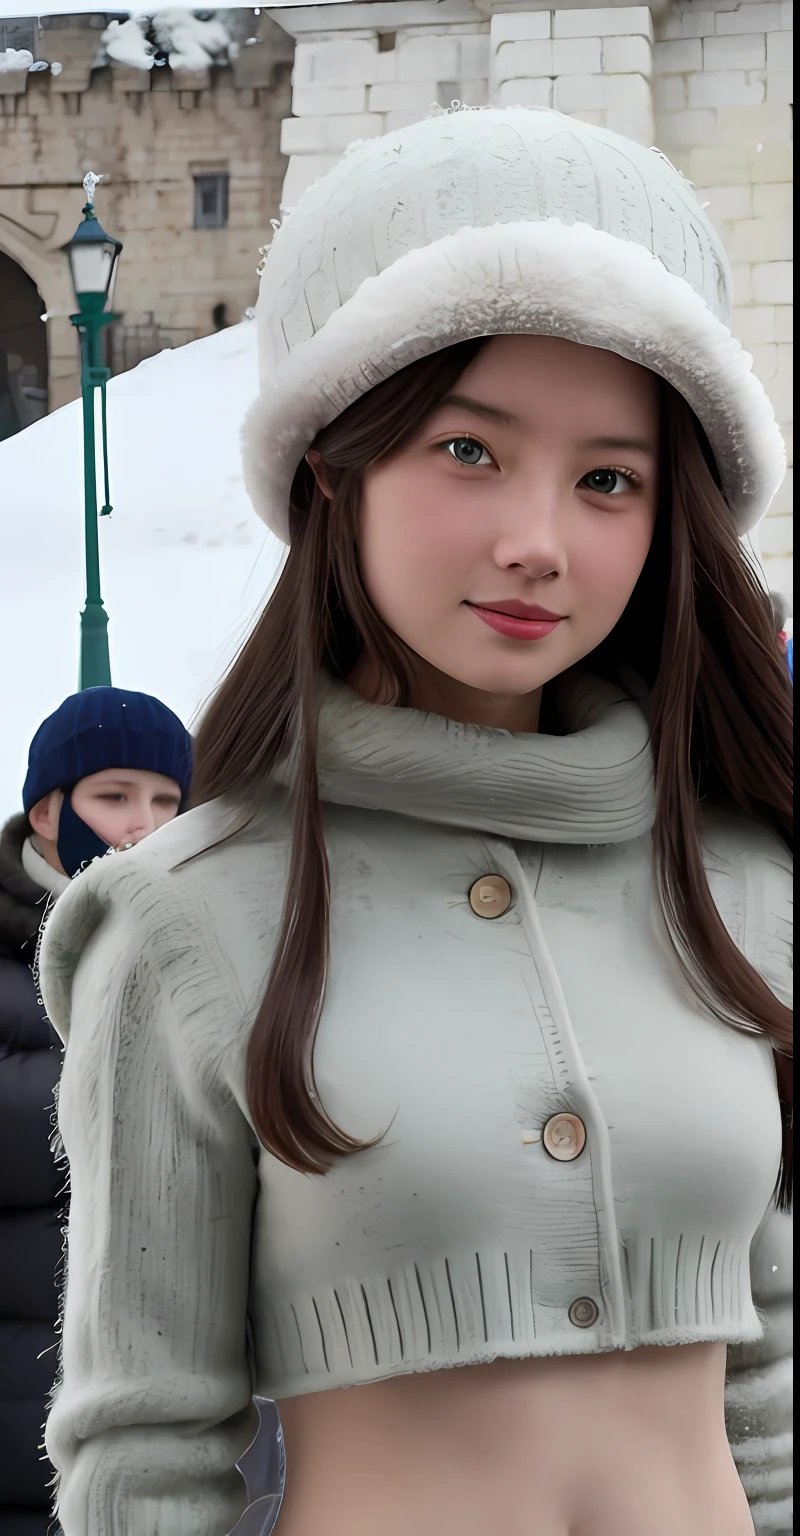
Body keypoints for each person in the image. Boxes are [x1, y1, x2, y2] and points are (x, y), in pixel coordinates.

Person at [38, 107, 792, 1536]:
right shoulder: (187, 924)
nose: (538, 538)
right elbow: (145, 1459)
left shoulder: (744, 887)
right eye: (467, 450)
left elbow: (770, 1390)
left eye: (609, 478)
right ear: (334, 467)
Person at [0, 688, 192, 1536]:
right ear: (47, 809)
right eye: (113, 796)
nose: (143, 824)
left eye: (166, 801)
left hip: (164, 1415)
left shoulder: (205, 956)